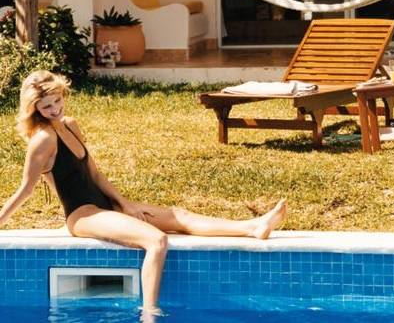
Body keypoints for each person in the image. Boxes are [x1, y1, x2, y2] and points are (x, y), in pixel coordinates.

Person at [0, 70, 287, 315]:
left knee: (179, 216)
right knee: (156, 240)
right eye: (45, 106)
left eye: (57, 101)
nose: (54, 109)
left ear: (63, 94)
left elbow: (96, 174)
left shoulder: (70, 125)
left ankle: (253, 227)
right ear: (34, 109)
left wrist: (124, 204)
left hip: (106, 206)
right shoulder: (42, 140)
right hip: (83, 215)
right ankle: (149, 313)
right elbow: (25, 190)